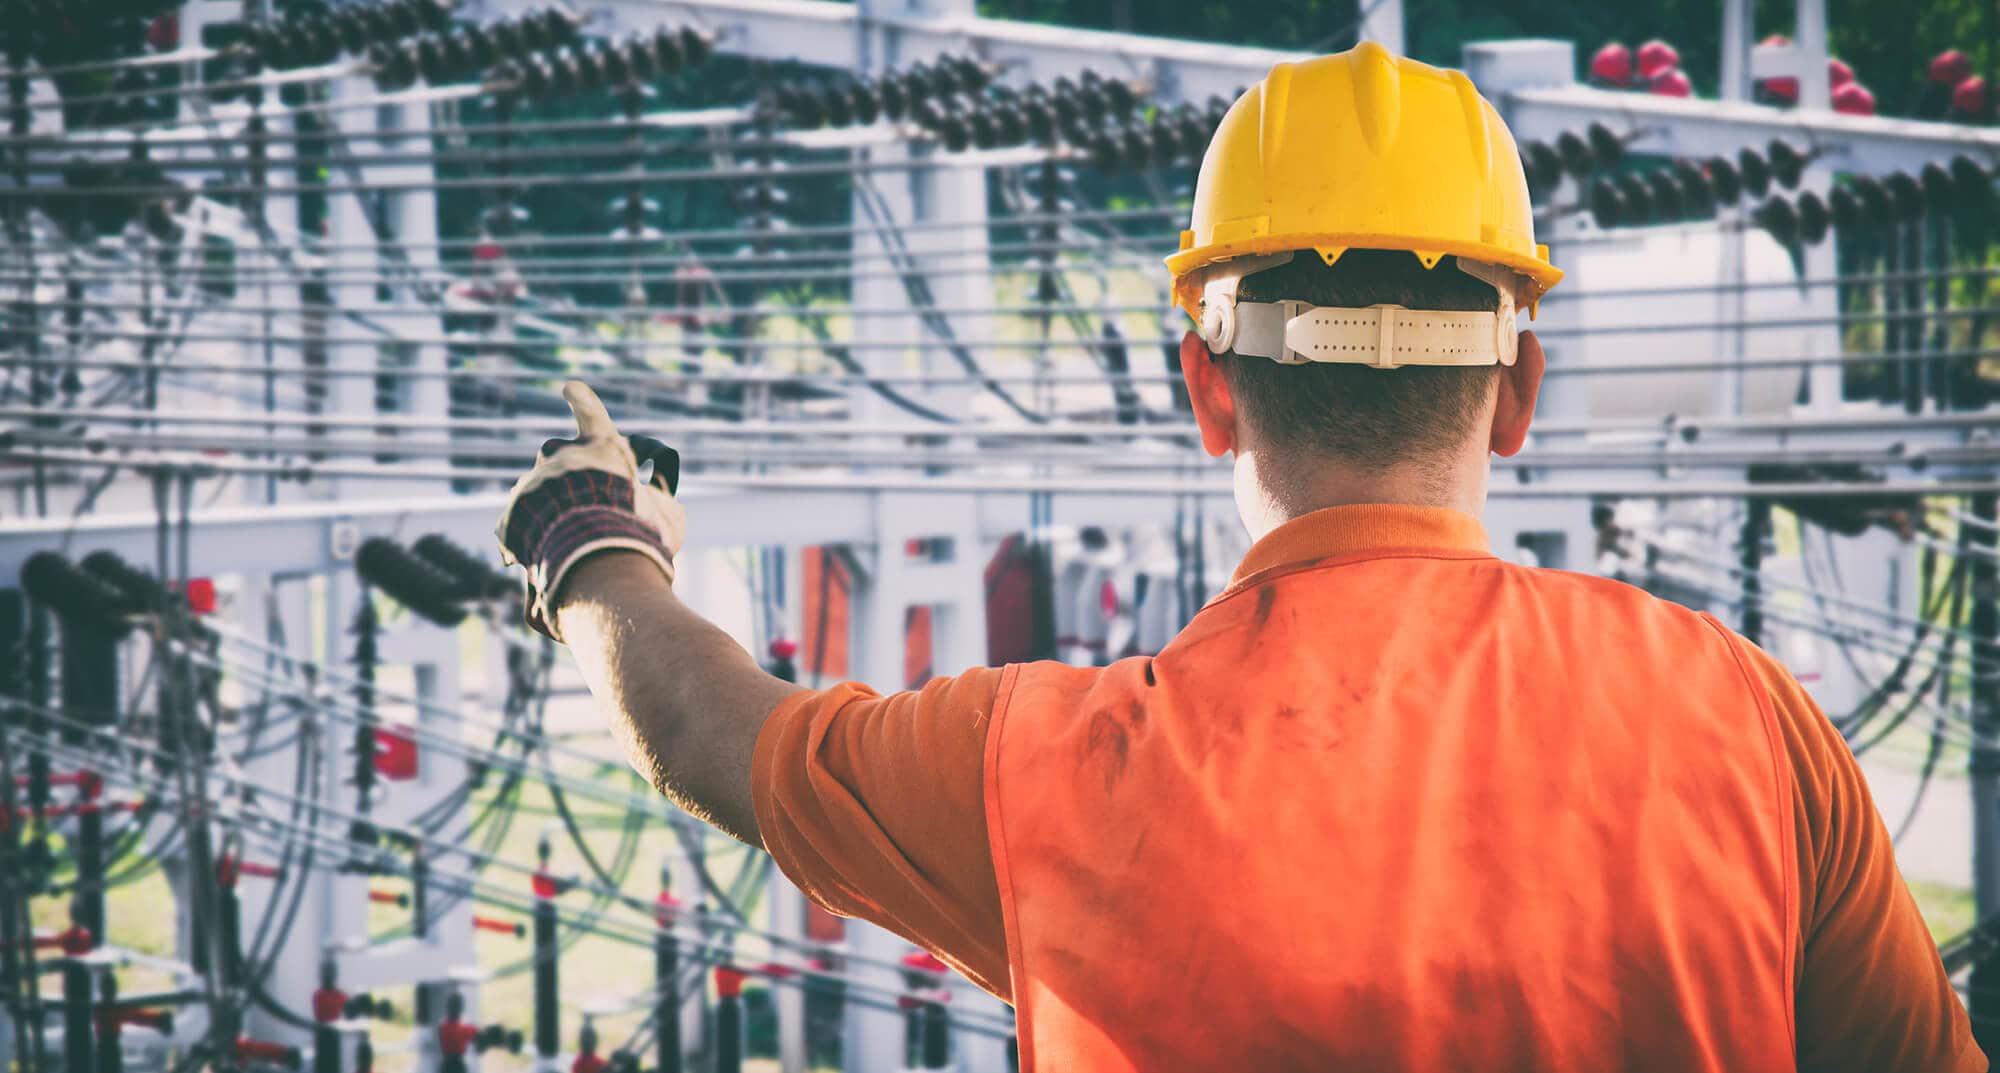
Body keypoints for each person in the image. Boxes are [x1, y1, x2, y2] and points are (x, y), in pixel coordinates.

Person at [497, 43, 1982, 1072]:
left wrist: (595, 543)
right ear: (1518, 390)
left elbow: (714, 734)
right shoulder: (1745, 718)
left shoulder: (1055, 769)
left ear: (1207, 388)